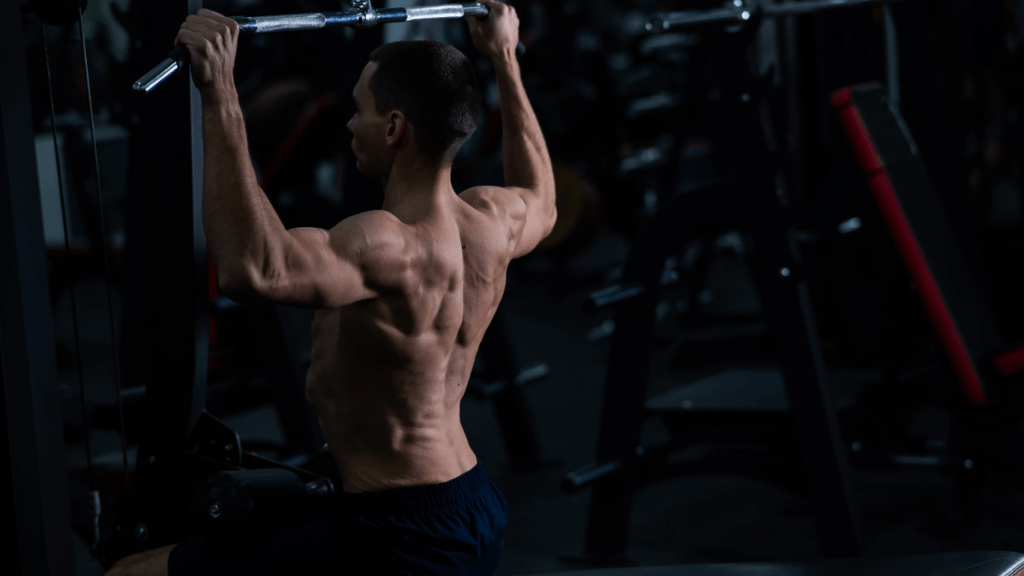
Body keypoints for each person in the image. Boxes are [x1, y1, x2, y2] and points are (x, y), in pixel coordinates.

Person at [104, 0, 555, 574]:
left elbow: (256, 270)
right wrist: (505, 58)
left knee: (129, 573)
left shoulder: (387, 244)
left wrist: (219, 90)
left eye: (359, 109)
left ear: (394, 128)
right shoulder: (492, 221)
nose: (347, 123)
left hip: (392, 527)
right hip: (468, 499)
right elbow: (543, 195)